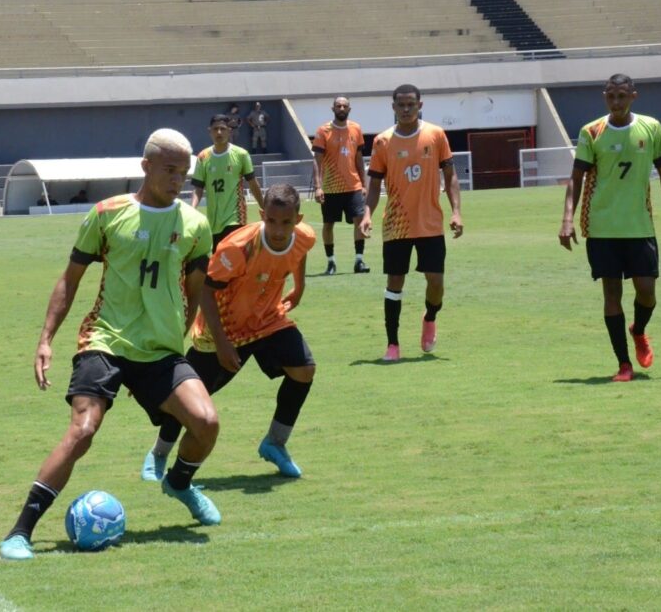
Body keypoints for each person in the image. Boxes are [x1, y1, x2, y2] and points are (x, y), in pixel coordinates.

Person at [0, 129, 221, 562]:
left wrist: (176, 331)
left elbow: (196, 287)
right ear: (147, 166)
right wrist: (45, 340)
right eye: (170, 170)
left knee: (206, 422)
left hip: (160, 350)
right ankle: (20, 531)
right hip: (105, 341)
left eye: (184, 172)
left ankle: (179, 482)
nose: (178, 179)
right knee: (82, 430)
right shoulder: (106, 214)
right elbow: (70, 279)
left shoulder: (195, 225)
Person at [140, 184, 317, 481]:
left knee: (304, 369)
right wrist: (222, 344)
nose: (278, 229)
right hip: (221, 328)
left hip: (266, 319)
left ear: (297, 219)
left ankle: (275, 443)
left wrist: (299, 287)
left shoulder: (304, 237)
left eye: (286, 222)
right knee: (190, 397)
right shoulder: (238, 248)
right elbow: (207, 294)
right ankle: (159, 453)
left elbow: (298, 254)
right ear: (262, 215)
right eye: (272, 221)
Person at [558, 73, 661, 382]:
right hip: (601, 228)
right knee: (611, 294)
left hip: (640, 226)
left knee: (647, 292)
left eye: (622, 96)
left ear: (633, 96)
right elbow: (576, 179)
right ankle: (624, 364)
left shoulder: (651, 128)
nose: (616, 102)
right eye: (611, 96)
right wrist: (566, 218)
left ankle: (638, 330)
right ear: (605, 97)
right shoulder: (592, 132)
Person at [359, 84, 463, 362]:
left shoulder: (436, 135)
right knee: (395, 282)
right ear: (393, 107)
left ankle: (429, 317)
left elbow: (451, 176)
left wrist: (456, 212)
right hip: (396, 224)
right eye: (401, 105)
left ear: (420, 105)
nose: (406, 109)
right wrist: (367, 213)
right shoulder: (382, 141)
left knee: (436, 282)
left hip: (430, 222)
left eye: (411, 105)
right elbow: (374, 184)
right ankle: (393, 345)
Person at [313, 96, 370, 275]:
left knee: (359, 221)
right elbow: (317, 161)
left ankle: (359, 261)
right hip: (330, 187)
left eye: (345, 106)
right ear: (333, 109)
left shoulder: (356, 128)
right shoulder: (323, 130)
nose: (342, 108)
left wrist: (364, 183)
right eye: (338, 106)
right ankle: (331, 262)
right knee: (328, 224)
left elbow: (359, 158)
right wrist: (318, 186)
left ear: (349, 109)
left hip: (353, 185)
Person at [192, 114, 266, 248]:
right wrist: (192, 210)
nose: (219, 132)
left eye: (222, 129)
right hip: (213, 223)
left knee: (233, 261)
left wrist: (264, 208)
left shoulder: (241, 154)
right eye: (215, 129)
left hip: (235, 218)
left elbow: (253, 183)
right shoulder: (203, 157)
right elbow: (198, 188)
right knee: (218, 264)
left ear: (229, 131)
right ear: (210, 132)